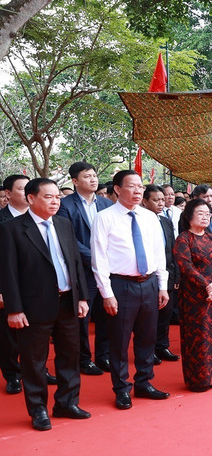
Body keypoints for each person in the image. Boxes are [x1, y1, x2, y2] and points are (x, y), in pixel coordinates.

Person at [0, 178, 90, 430]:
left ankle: (66, 402)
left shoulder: (63, 224)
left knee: (70, 356)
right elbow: (8, 273)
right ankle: (38, 409)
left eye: (57, 197)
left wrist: (81, 296)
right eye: (48, 197)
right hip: (33, 307)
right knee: (34, 361)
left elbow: (74, 264)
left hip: (67, 302)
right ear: (31, 198)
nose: (55, 201)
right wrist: (14, 309)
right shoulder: (12, 229)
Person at [91, 169, 170, 409]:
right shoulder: (104, 217)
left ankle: (144, 383)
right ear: (117, 189)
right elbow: (99, 259)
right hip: (120, 285)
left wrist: (162, 285)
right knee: (119, 340)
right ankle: (121, 388)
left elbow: (159, 253)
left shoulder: (149, 217)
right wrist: (107, 293)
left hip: (148, 284)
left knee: (147, 337)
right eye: (132, 186)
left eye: (140, 186)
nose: (138, 191)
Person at [56, 162, 114, 375]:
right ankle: (83, 358)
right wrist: (97, 257)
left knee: (106, 313)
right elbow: (68, 238)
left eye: (94, 175)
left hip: (107, 270)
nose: (93, 179)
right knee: (82, 317)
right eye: (87, 176)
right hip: (83, 270)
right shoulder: (65, 205)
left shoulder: (106, 205)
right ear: (74, 181)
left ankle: (104, 356)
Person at [174, 199, 212, 392]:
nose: (206, 217)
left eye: (208, 214)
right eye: (201, 213)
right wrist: (207, 285)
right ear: (189, 216)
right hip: (194, 296)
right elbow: (185, 266)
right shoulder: (184, 238)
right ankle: (199, 380)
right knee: (198, 337)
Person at [141, 184, 180, 365]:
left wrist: (176, 275)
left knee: (166, 313)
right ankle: (148, 350)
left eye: (162, 200)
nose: (160, 203)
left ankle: (162, 346)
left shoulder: (165, 221)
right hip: (147, 275)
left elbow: (172, 250)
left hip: (168, 273)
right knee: (150, 316)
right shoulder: (140, 221)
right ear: (145, 201)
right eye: (156, 200)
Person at [0, 174, 29, 394]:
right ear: (8, 194)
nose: (28, 192)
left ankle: (35, 371)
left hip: (36, 289)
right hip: (7, 288)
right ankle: (13, 374)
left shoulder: (41, 218)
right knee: (8, 336)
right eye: (22, 189)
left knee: (36, 333)